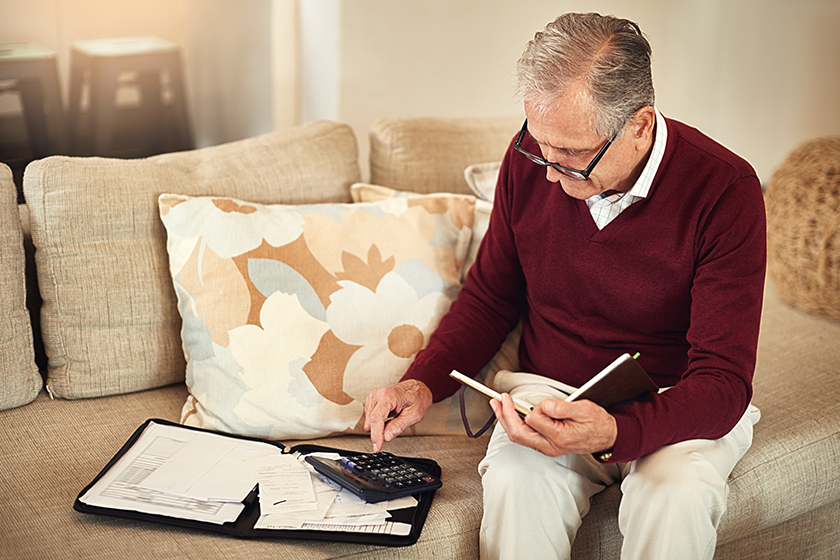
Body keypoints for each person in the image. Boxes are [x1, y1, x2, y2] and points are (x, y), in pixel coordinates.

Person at [365, 12, 766, 560]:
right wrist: (423, 382)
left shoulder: (725, 189)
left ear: (640, 124)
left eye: (574, 156)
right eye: (539, 147)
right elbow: (489, 296)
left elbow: (724, 380)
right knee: (516, 483)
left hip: (676, 402)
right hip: (547, 392)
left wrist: (615, 433)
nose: (549, 175)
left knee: (677, 495)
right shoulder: (531, 159)